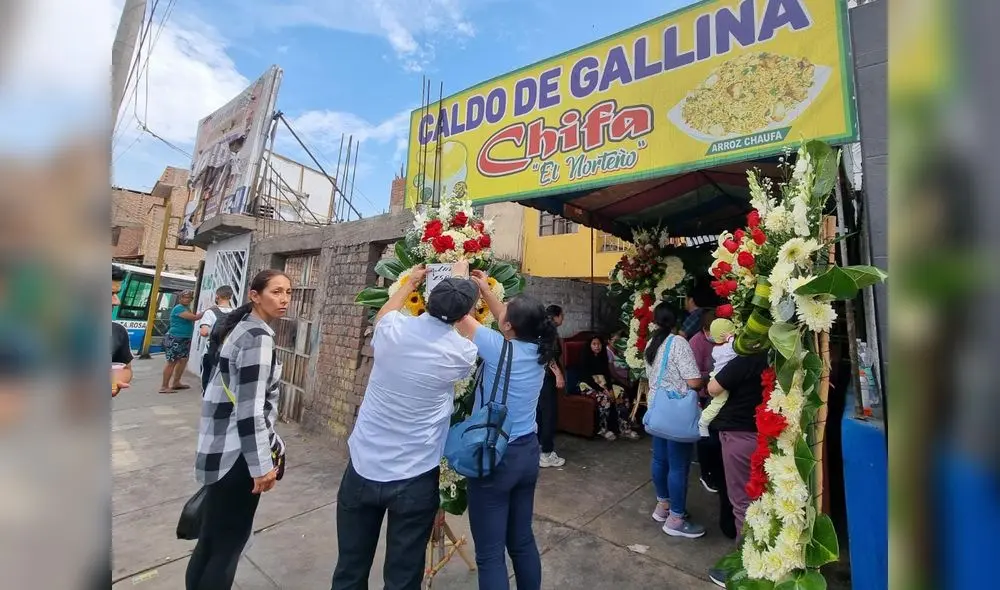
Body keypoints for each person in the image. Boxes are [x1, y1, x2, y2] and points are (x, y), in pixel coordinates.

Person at [331, 262, 479, 590]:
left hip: (363, 468)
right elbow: (471, 334)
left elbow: (386, 311)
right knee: (402, 577)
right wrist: (463, 286)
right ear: (464, 314)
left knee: (349, 569)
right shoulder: (461, 353)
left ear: (426, 298)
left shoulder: (392, 330)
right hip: (414, 477)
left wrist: (410, 282)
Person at [452, 272, 559, 590]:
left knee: (489, 555)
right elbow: (505, 319)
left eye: (506, 311)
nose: (502, 313)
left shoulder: (498, 348)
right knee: (522, 541)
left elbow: (460, 316)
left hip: (495, 454)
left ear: (509, 326)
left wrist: (461, 274)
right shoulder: (540, 349)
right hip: (527, 452)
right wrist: (485, 290)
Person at [186, 269, 291, 590]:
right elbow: (249, 410)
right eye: (276, 292)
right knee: (227, 548)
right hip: (238, 458)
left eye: (288, 292)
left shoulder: (240, 329)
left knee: (210, 543)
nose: (284, 299)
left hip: (219, 450)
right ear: (254, 296)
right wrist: (262, 467)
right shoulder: (257, 338)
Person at [705, 350, 768, 588]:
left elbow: (713, 387)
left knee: (742, 502)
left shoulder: (747, 360)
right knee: (759, 499)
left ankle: (746, 568)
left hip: (740, 436)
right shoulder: (775, 358)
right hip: (764, 433)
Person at [643, 305, 706, 539]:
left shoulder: (652, 343)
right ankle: (676, 519)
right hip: (676, 413)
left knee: (660, 459)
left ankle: (663, 506)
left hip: (658, 410)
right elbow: (693, 382)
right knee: (679, 465)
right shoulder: (678, 343)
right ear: (678, 321)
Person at [576, 336, 638, 440]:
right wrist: (603, 390)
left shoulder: (603, 356)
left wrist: (610, 389)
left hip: (603, 383)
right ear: (589, 345)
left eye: (599, 344)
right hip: (588, 385)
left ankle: (624, 428)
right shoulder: (585, 357)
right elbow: (587, 378)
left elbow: (607, 375)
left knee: (621, 394)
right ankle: (602, 429)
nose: (597, 347)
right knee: (604, 399)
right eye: (594, 344)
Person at [537, 304, 565, 468]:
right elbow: (548, 355)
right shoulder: (550, 331)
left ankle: (540, 447)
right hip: (546, 378)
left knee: (540, 413)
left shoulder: (538, 328)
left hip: (536, 377)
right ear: (557, 316)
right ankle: (546, 453)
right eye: (563, 315)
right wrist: (558, 374)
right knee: (549, 414)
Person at [161, 290, 202, 393]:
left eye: (189, 298)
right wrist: (209, 311)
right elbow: (194, 318)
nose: (187, 299)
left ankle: (176, 382)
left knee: (183, 360)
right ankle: (164, 386)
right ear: (180, 299)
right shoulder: (178, 308)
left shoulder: (186, 308)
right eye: (185, 297)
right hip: (175, 338)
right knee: (172, 362)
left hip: (184, 338)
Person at [199, 285, 235, 392]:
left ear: (217, 296)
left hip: (211, 353)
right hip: (229, 353)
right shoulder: (236, 313)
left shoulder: (210, 312)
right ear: (230, 297)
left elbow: (204, 332)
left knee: (208, 381)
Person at [111, 265, 133, 397]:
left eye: (116, 294)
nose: (117, 301)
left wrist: (116, 379)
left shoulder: (117, 332)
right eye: (111, 294)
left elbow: (126, 369)